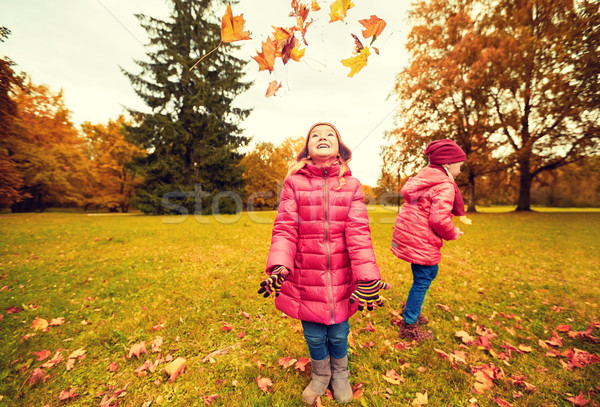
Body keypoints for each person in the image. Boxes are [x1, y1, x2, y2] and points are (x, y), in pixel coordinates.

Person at [258, 122, 389, 404]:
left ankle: (340, 374)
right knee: (314, 334)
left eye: (329, 134)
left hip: (342, 275)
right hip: (306, 274)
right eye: (315, 135)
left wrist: (366, 275)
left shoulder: (352, 185)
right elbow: (284, 228)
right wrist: (279, 265)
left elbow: (359, 233)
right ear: (306, 148)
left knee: (340, 331)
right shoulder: (294, 183)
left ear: (339, 149)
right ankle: (320, 375)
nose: (322, 137)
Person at [391, 139, 468, 341]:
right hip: (421, 240)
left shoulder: (423, 179)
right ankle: (409, 324)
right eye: (460, 165)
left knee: (427, 274)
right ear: (448, 164)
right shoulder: (444, 185)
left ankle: (411, 309)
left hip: (412, 236)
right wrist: (453, 233)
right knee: (423, 278)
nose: (461, 170)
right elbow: (439, 219)